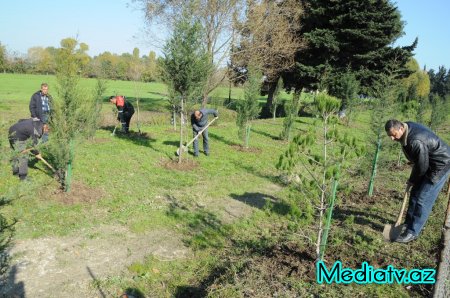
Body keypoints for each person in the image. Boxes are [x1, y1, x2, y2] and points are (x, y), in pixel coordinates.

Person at [385, 119, 450, 243]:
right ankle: (408, 223)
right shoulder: (407, 127)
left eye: (393, 135)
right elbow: (420, 162)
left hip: (441, 164)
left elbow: (421, 167)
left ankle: (412, 231)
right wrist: (413, 182)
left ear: (400, 129)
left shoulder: (415, 141)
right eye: (390, 136)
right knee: (415, 193)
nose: (392, 139)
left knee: (422, 198)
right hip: (429, 161)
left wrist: (412, 180)